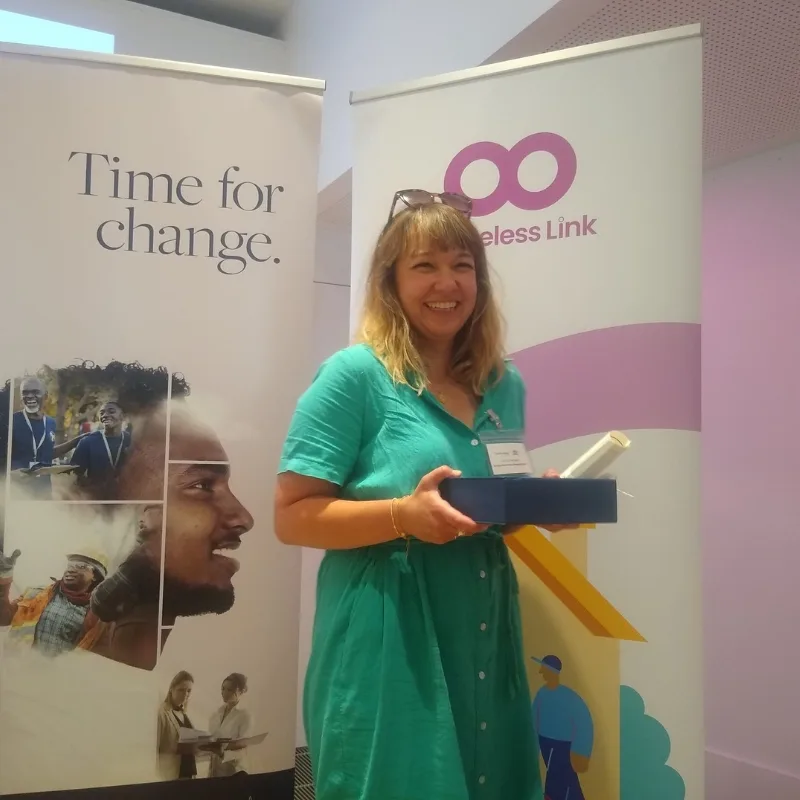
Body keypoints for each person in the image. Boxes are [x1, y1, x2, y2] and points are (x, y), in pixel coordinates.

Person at [275, 190, 576, 800]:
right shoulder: (354, 376)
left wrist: (531, 507)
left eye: (462, 266)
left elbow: (483, 503)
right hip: (389, 624)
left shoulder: (502, 383)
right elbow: (292, 517)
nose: (448, 283)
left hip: (485, 619)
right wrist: (402, 516)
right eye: (425, 265)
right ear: (391, 282)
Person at [0, 547, 109, 656]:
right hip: (17, 666)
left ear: (95, 576)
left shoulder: (96, 618)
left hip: (57, 672)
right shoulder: (35, 594)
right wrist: (4, 579)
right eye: (70, 565)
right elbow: (3, 619)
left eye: (81, 566)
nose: (71, 569)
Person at [530, 655, 593, 800]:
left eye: (544, 669)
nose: (541, 672)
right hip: (544, 742)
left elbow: (583, 722)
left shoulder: (569, 696)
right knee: (558, 779)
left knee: (560, 778)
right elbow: (534, 720)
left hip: (561, 745)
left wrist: (581, 751)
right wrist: (533, 748)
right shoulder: (542, 694)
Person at [70, 401, 132, 498]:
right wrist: (94, 488)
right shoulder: (87, 441)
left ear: (122, 416)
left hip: (128, 501)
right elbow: (74, 476)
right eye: (102, 413)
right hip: (96, 503)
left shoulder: (133, 440)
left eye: (111, 411)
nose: (105, 415)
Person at [207, 672, 252, 777]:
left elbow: (243, 742)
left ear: (240, 691)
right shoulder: (217, 713)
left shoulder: (245, 715)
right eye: (223, 689)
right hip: (215, 769)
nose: (224, 693)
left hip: (235, 770)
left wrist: (222, 748)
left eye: (229, 690)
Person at [157, 670, 198, 781]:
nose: (186, 694)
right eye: (181, 690)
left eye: (189, 691)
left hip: (189, 772)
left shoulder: (184, 713)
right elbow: (156, 748)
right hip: (172, 774)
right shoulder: (162, 713)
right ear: (171, 689)